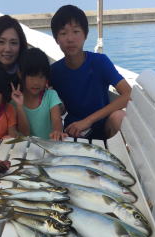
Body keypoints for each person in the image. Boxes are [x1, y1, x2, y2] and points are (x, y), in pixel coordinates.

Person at [50, 5, 131, 140]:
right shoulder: (54, 71)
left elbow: (128, 94)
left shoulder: (99, 62)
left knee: (119, 116)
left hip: (105, 128)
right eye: (63, 33)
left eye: (76, 31)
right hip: (73, 132)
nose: (70, 39)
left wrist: (88, 120)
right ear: (56, 39)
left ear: (85, 35)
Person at [16, 47, 66, 140]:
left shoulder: (51, 95)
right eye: (31, 76)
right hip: (26, 150)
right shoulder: (15, 101)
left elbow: (56, 121)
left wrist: (57, 131)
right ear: (20, 74)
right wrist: (19, 106)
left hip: (49, 147)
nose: (36, 82)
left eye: (41, 77)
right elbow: (24, 133)